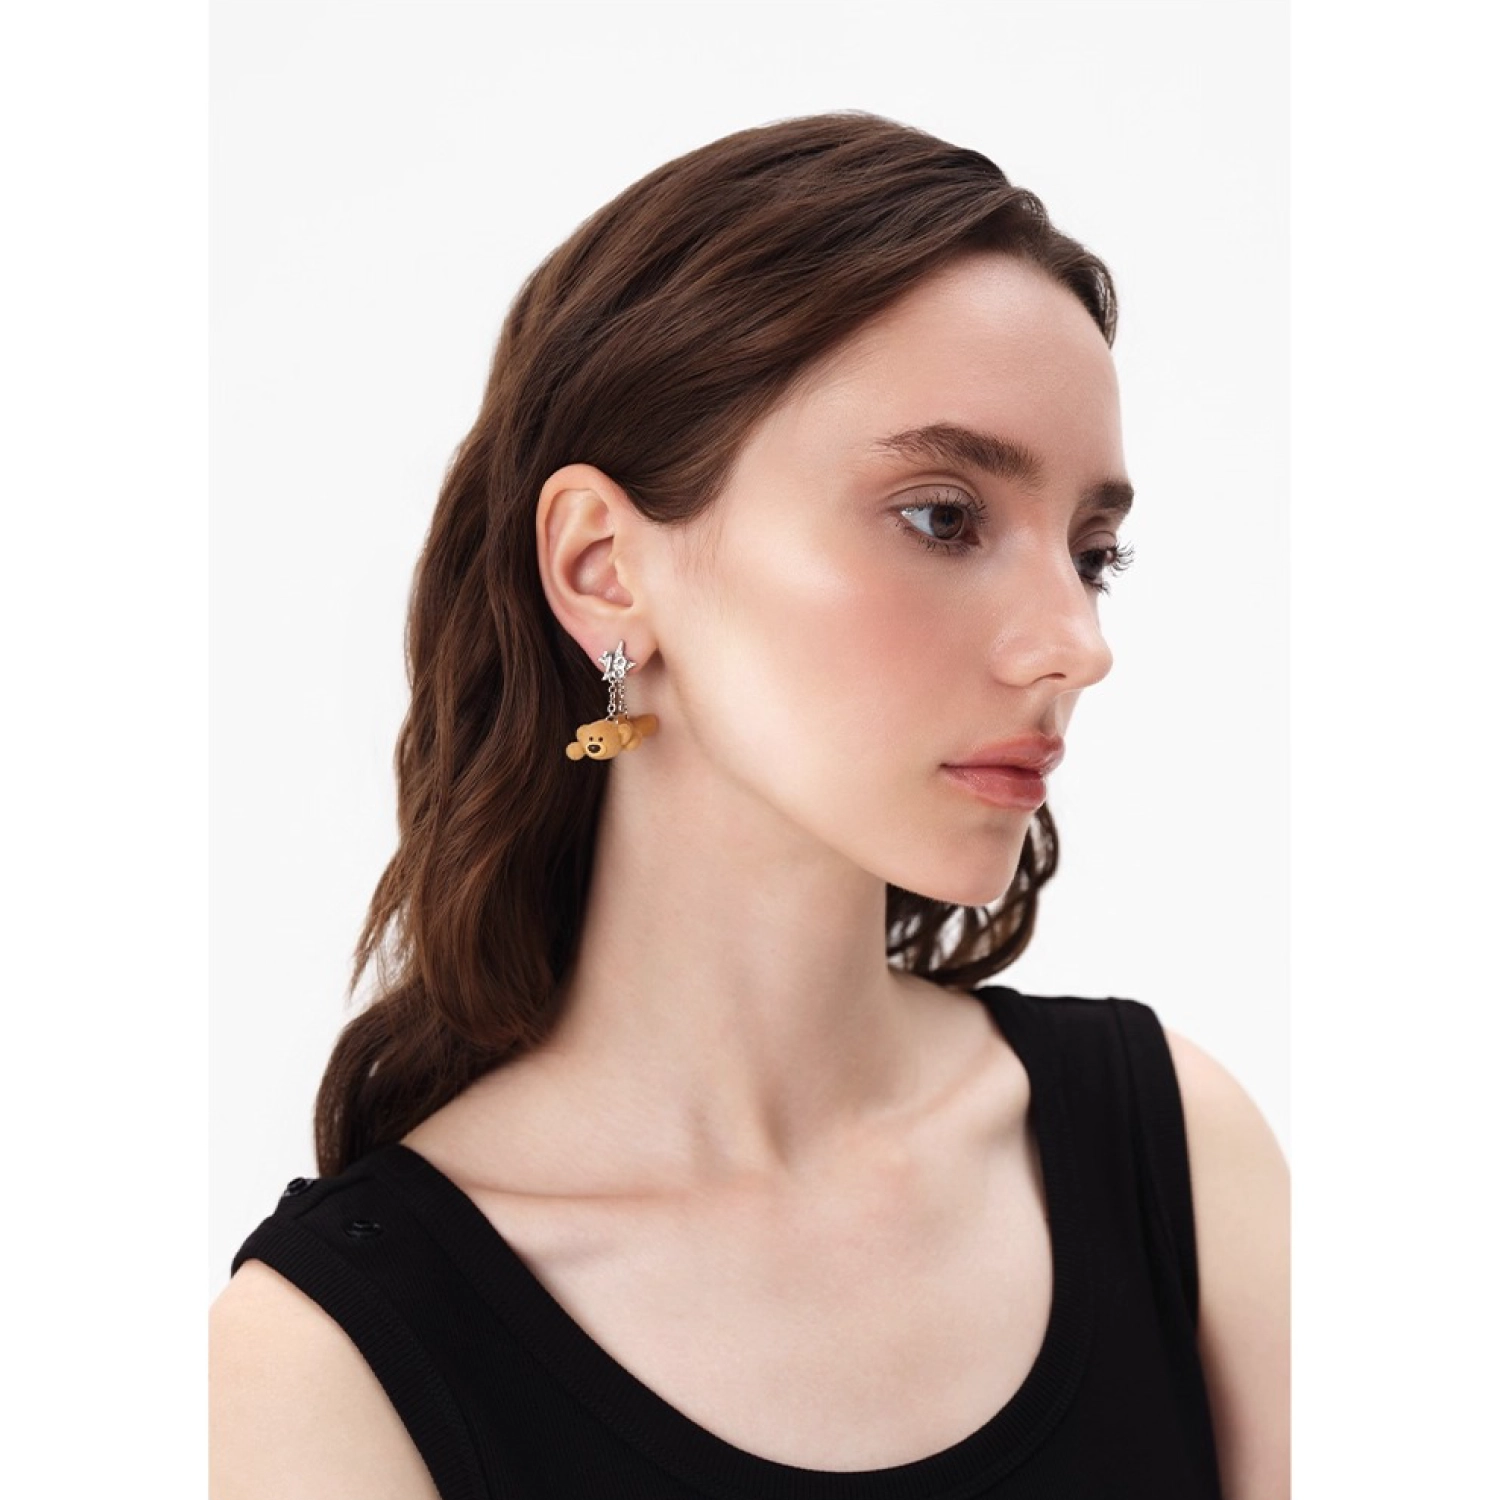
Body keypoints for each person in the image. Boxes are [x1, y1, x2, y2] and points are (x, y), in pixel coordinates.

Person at [209, 111, 1289, 1499]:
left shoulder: (1178, 1153)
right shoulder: (326, 1358)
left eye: (1094, 554)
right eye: (944, 517)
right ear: (605, 569)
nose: (1076, 643)